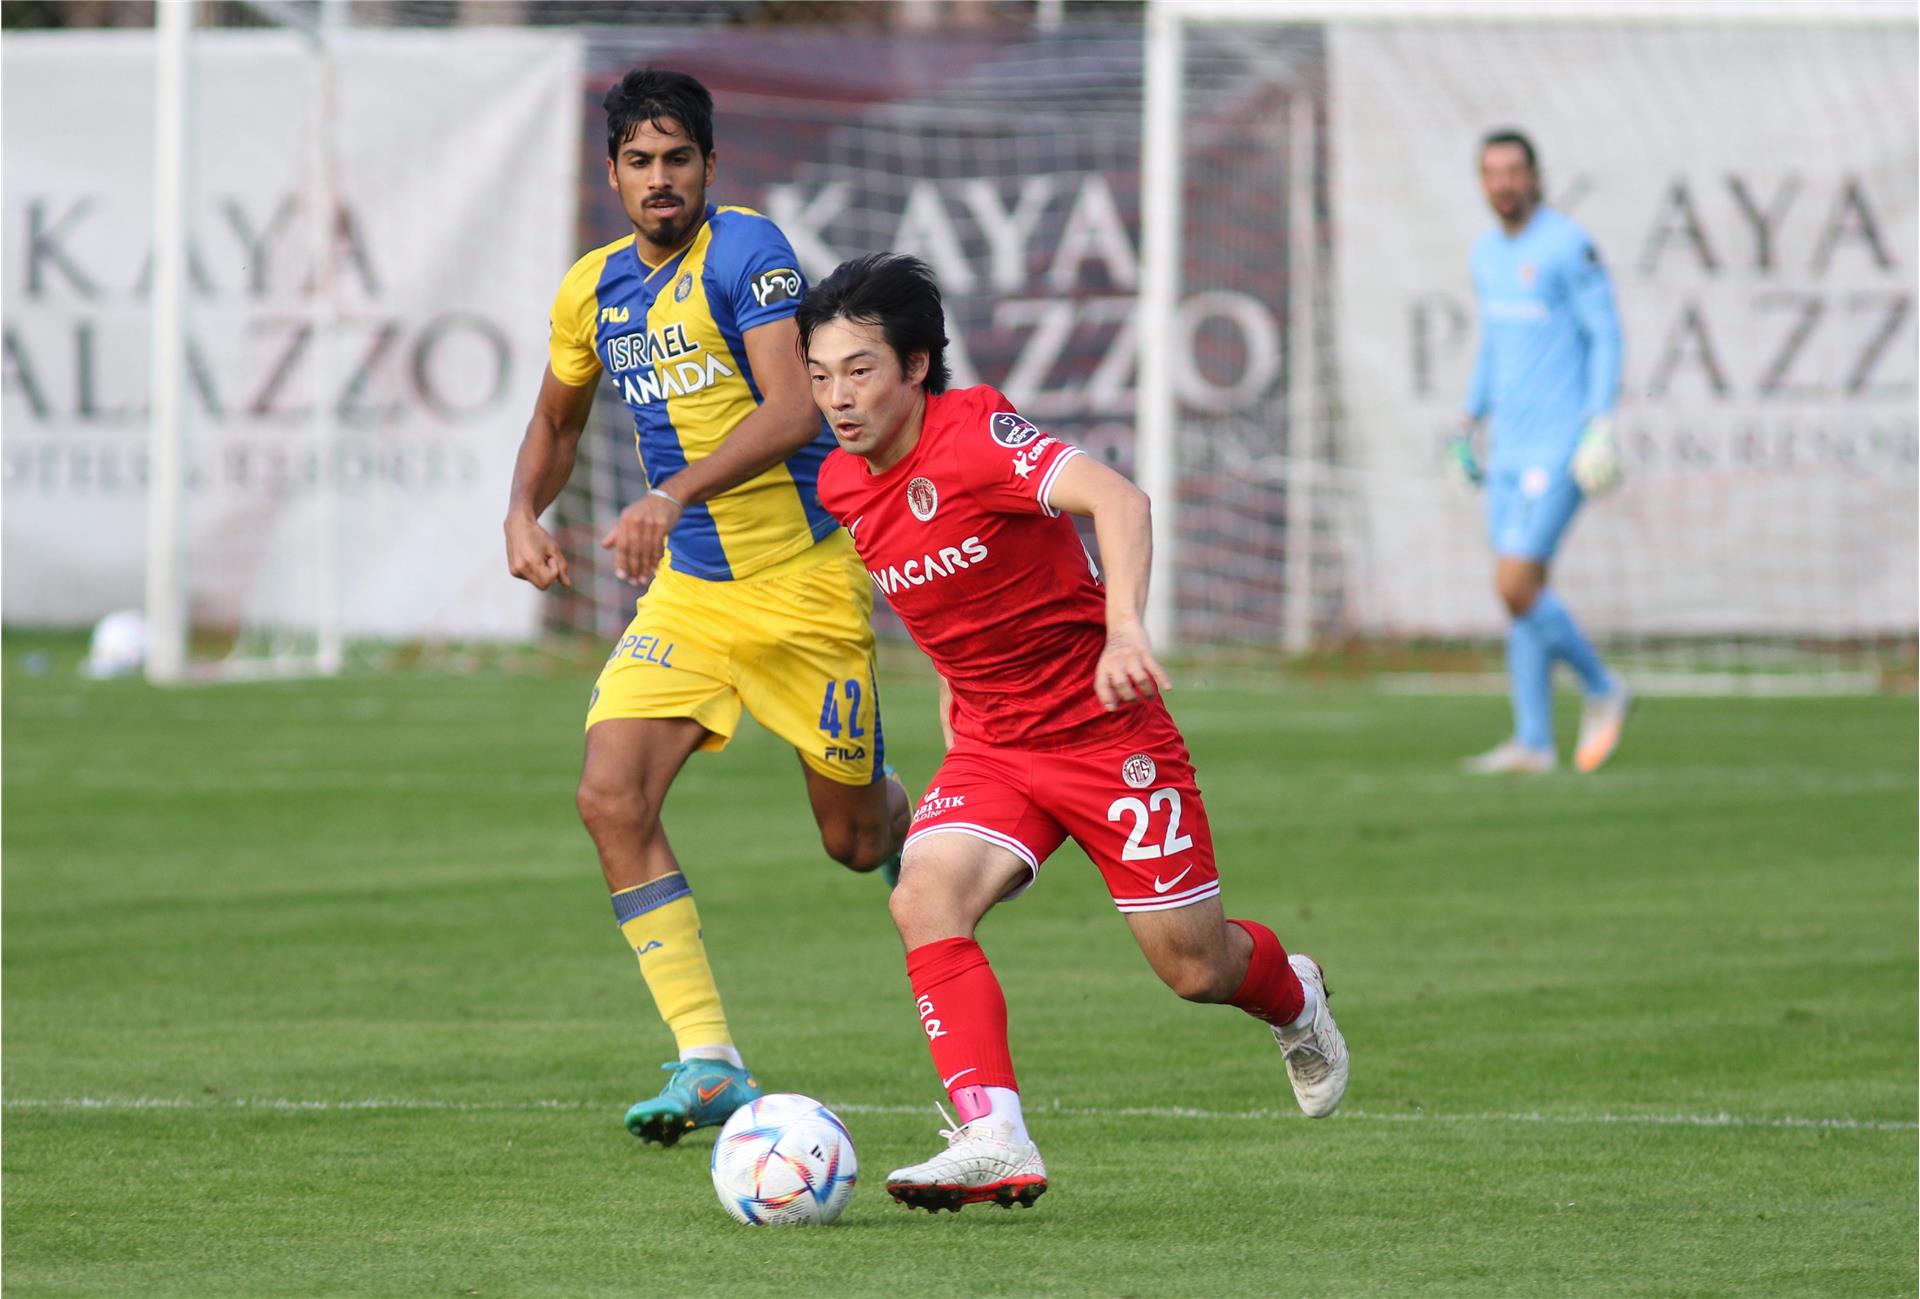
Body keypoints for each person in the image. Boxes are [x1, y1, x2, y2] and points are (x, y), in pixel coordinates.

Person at [799, 254, 1349, 1214]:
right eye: (820, 374)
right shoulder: (845, 484)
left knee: (1194, 965)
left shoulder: (976, 436)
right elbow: (950, 597)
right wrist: (953, 693)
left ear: (918, 365)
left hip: (1103, 729)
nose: (838, 397)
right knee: (923, 899)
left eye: (859, 370)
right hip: (993, 746)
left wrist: (1125, 628)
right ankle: (993, 1132)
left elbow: (1120, 500)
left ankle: (1294, 995)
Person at [502, 69, 909, 1147]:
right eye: (640, 162)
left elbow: (789, 408)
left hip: (805, 587)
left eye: (678, 158)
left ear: (711, 167)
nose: (660, 179)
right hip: (690, 594)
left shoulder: (745, 251)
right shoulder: (592, 291)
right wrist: (519, 512)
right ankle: (708, 1056)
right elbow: (555, 421)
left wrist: (671, 490)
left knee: (854, 844)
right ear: (613, 175)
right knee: (608, 796)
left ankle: (913, 824)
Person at [1451, 128, 1631, 775]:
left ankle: (1603, 687)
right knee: (1519, 595)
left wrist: (1599, 423)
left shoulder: (1567, 246)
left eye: (1513, 171)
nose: (1503, 183)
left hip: (1560, 446)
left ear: (1534, 176)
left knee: (1516, 583)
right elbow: (1497, 346)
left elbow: (1606, 335)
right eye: (1491, 172)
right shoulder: (1486, 255)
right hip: (1507, 448)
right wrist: (1469, 419)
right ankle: (1533, 739)